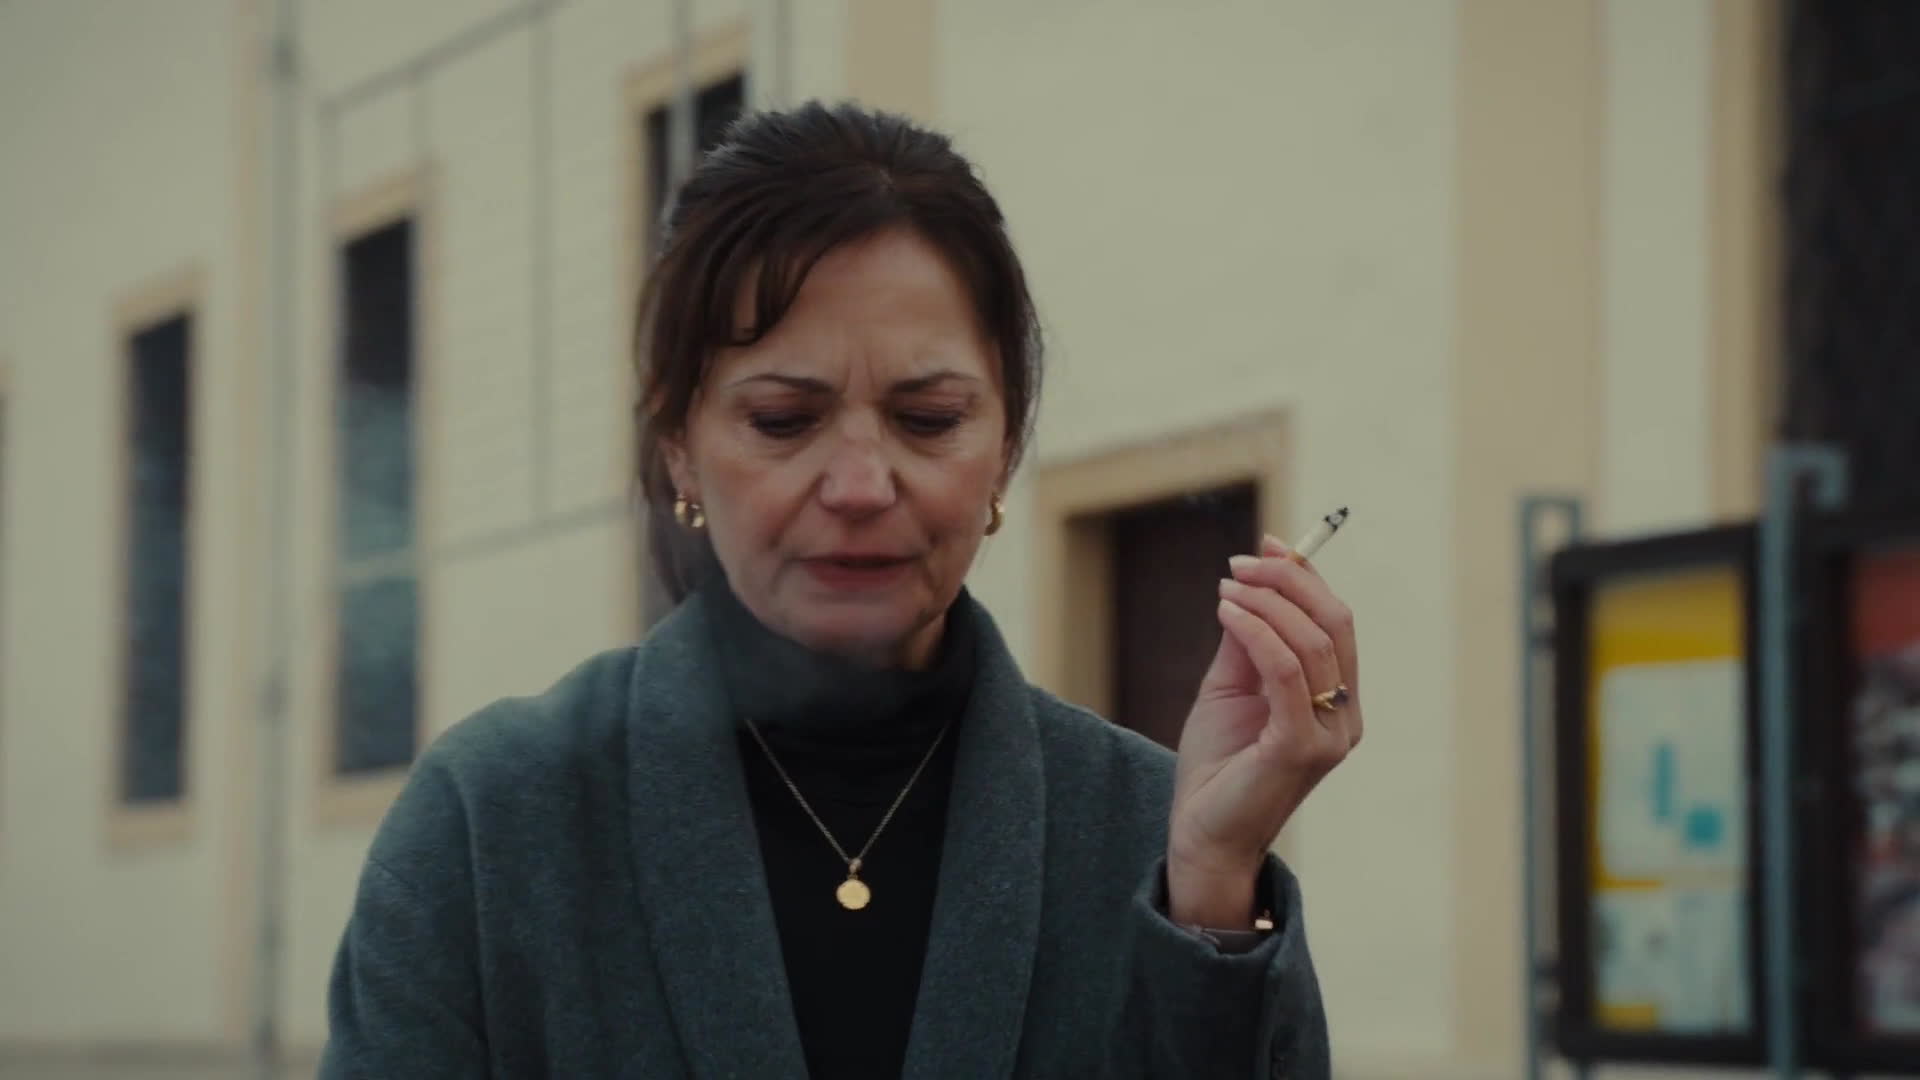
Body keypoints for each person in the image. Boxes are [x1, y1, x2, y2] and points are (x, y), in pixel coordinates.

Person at [319, 101, 1363, 1080]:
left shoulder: (1150, 835)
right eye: (784, 420)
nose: (861, 486)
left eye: (928, 420)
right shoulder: (491, 828)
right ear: (679, 444)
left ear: (1005, 444)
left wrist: (1212, 889)